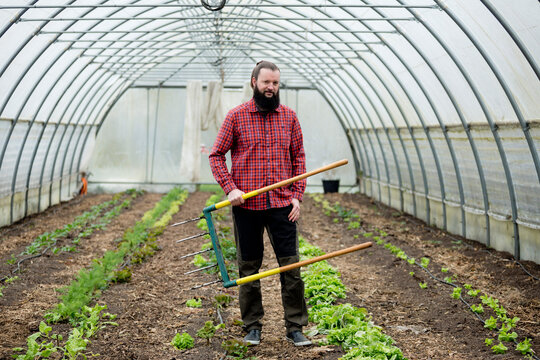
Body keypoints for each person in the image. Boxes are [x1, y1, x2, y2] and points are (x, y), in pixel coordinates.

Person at [209, 61, 311, 347]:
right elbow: (216, 155)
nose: (271, 88)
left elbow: (299, 159)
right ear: (254, 82)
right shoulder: (236, 116)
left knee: (291, 267)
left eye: (276, 83)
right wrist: (230, 189)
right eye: (266, 82)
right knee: (248, 269)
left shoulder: (289, 118)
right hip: (247, 207)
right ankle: (252, 326)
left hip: (282, 206)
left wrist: (296, 195)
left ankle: (295, 327)